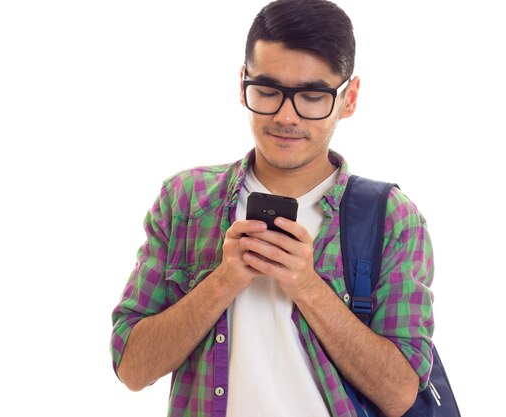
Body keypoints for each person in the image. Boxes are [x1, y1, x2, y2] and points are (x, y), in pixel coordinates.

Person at [110, 1, 434, 416]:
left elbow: (401, 393)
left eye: (312, 96)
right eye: (267, 91)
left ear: (348, 98)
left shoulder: (390, 218)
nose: (285, 115)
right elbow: (132, 368)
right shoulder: (186, 201)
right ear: (242, 82)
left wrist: (308, 286)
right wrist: (223, 281)